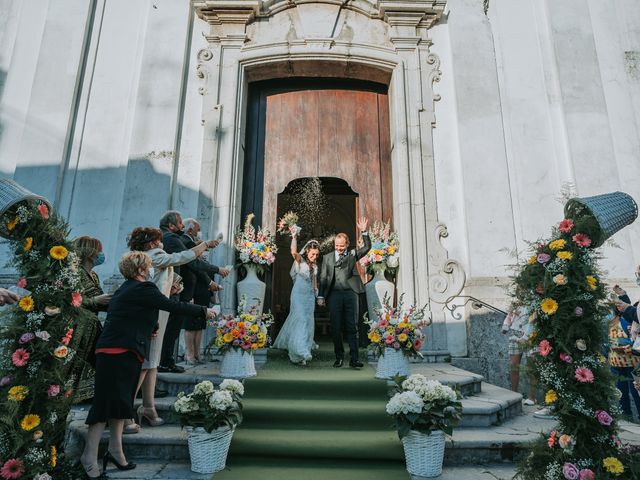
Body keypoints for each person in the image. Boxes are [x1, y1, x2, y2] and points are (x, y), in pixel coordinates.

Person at [80, 251, 215, 479]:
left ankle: (116, 450)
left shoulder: (128, 288)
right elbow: (172, 307)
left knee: (122, 404)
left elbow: (136, 313)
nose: (152, 268)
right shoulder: (144, 288)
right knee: (104, 405)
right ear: (142, 270)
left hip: (121, 350)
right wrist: (204, 311)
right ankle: (88, 457)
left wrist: (150, 327)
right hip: (118, 352)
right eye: (149, 265)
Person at [127, 227, 210, 427]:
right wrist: (204, 246)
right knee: (146, 362)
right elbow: (179, 258)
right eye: (157, 240)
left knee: (152, 361)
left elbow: (159, 278)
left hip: (158, 311)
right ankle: (126, 410)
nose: (160, 243)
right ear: (150, 243)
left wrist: (172, 286)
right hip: (151, 312)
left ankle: (148, 406)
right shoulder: (152, 255)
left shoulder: (150, 256)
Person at [158, 211, 227, 372]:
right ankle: (164, 362)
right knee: (171, 329)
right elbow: (191, 261)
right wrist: (217, 269)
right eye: (180, 223)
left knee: (171, 329)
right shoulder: (172, 239)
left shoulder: (172, 237)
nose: (182, 226)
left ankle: (166, 361)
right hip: (174, 290)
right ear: (171, 225)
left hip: (176, 288)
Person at [318, 217, 371, 368]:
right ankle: (339, 357)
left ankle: (354, 359)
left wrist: (364, 231)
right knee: (335, 326)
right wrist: (321, 295)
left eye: (342, 246)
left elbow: (367, 247)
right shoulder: (327, 258)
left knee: (352, 326)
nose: (339, 248)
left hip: (350, 294)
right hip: (334, 295)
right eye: (337, 245)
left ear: (347, 244)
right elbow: (323, 277)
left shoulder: (352, 254)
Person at [181, 218, 230, 364]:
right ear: (190, 230)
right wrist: (212, 279)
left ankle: (197, 354)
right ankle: (189, 354)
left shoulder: (197, 249)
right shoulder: (187, 242)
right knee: (190, 324)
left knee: (200, 324)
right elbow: (196, 267)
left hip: (202, 291)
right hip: (192, 291)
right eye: (198, 229)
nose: (199, 232)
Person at [74, 236, 112, 403]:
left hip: (92, 325)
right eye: (99, 250)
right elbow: (71, 299)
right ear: (90, 252)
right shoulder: (76, 273)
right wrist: (94, 301)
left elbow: (100, 296)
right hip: (78, 326)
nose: (101, 254)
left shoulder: (94, 275)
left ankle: (88, 393)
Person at [273, 230, 320, 365]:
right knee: (301, 320)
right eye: (312, 254)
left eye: (317, 254)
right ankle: (299, 351)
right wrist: (294, 237)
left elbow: (314, 280)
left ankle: (304, 346)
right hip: (298, 295)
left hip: (309, 297)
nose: (314, 256)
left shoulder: (315, 266)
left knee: (307, 320)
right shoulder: (300, 260)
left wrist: (317, 292)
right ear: (307, 252)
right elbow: (293, 251)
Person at [607, 305, 640, 419]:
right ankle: (626, 417)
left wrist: (625, 348)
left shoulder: (627, 323)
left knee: (636, 392)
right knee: (621, 393)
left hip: (632, 365)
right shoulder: (607, 326)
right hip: (615, 365)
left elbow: (636, 342)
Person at [501, 306, 537, 406]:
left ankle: (532, 397)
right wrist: (505, 326)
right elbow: (509, 316)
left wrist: (525, 337)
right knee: (513, 366)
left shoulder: (533, 301)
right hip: (515, 334)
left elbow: (534, 320)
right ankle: (514, 395)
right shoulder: (516, 302)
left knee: (531, 368)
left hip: (531, 336)